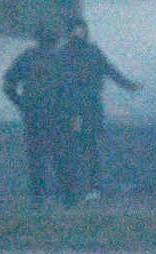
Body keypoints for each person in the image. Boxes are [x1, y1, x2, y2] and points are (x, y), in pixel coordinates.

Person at [55, 16, 141, 204]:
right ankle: (75, 189)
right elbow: (63, 84)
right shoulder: (67, 54)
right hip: (76, 109)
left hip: (89, 108)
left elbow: (109, 70)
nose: (80, 33)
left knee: (89, 148)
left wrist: (129, 85)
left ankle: (90, 187)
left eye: (82, 29)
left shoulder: (87, 52)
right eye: (77, 29)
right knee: (76, 149)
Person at [4, 28, 62, 206]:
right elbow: (69, 90)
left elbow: (8, 84)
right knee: (58, 154)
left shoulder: (26, 57)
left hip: (33, 114)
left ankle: (38, 197)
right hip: (55, 114)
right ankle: (62, 195)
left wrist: (21, 104)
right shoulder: (59, 60)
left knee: (36, 156)